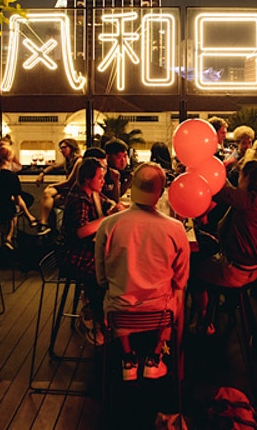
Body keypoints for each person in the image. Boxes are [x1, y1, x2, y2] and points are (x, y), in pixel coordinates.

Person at [95, 163, 190, 381]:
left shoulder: (108, 225)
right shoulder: (175, 228)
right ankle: (155, 355)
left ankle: (128, 358)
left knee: (116, 292)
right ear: (160, 193)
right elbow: (180, 279)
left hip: (118, 313)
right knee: (179, 292)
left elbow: (101, 279)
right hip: (160, 313)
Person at [192, 160, 257, 333]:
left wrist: (202, 172)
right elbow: (230, 193)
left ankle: (204, 321)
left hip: (237, 271)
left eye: (241, 175)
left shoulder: (248, 202)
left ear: (247, 178)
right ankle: (228, 303)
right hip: (256, 268)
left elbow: (223, 192)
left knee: (193, 268)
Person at [63, 157, 119, 345]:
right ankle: (93, 319)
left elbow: (109, 202)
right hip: (76, 255)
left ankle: (101, 317)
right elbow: (81, 231)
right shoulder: (80, 198)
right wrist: (108, 217)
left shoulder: (94, 194)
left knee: (112, 266)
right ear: (88, 180)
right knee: (107, 272)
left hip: (88, 248)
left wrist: (113, 207)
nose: (103, 181)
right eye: (100, 178)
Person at [0, 144, 36, 248]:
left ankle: (7, 237)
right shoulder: (11, 176)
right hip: (5, 211)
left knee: (9, 206)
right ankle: (9, 238)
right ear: (11, 157)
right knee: (15, 209)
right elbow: (18, 199)